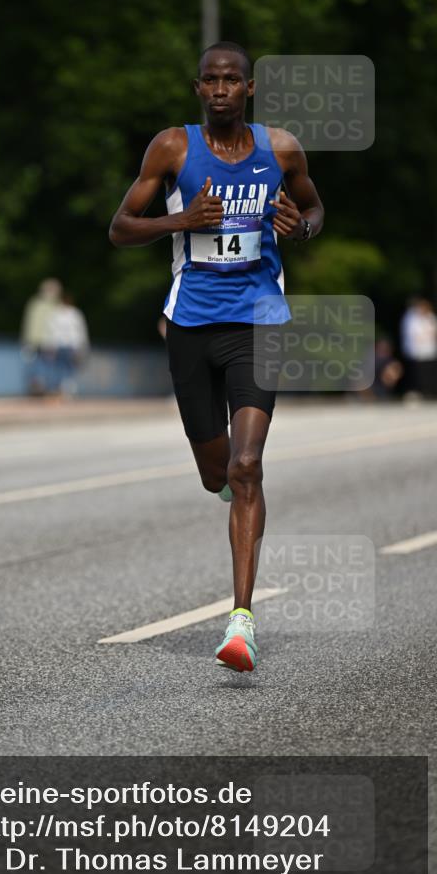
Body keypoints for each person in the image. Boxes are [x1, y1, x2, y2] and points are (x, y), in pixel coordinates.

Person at [109, 41, 324, 672]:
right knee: (215, 474)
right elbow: (121, 227)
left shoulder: (280, 148)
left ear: (250, 88)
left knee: (247, 463)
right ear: (199, 89)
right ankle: (234, 497)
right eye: (211, 80)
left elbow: (314, 207)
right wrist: (181, 223)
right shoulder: (172, 148)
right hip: (191, 327)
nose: (221, 89)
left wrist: (301, 225)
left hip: (258, 321)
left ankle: (241, 622)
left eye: (232, 79)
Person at [19, 278, 63, 395]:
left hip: (36, 339)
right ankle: (46, 387)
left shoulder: (35, 303)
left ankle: (42, 386)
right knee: (46, 365)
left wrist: (25, 339)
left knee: (38, 364)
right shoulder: (56, 305)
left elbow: (27, 322)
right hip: (47, 340)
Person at [46, 292, 90, 398]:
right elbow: (52, 331)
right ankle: (59, 388)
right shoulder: (56, 314)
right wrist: (51, 344)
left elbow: (80, 330)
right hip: (60, 345)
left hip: (71, 345)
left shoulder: (75, 314)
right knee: (59, 367)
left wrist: (82, 345)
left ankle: (67, 389)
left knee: (69, 367)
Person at [400, 297, 437, 399]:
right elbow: (414, 334)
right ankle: (418, 392)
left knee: (429, 373)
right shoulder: (412, 318)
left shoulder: (431, 317)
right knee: (418, 374)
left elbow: (436, 332)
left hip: (430, 350)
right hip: (417, 351)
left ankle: (429, 392)